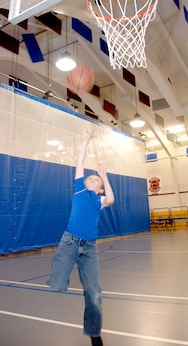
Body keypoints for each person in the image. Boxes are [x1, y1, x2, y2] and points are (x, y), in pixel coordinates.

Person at [47, 130, 115, 346]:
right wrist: (84, 139)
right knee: (57, 283)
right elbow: (79, 163)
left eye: (95, 179)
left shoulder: (100, 201)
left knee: (94, 292)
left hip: (90, 249)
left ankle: (95, 334)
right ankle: (59, 278)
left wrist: (104, 175)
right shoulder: (79, 190)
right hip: (69, 242)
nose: (91, 179)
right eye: (90, 177)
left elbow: (111, 199)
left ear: (99, 187)